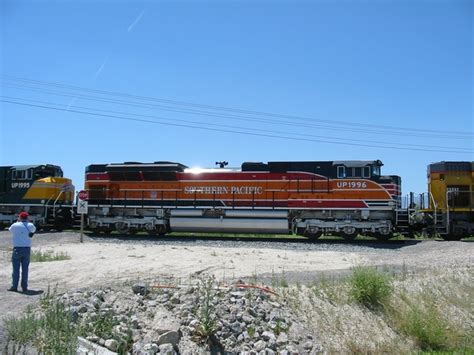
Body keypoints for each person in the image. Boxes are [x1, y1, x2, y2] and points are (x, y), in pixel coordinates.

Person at [8, 211, 36, 293]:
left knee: (15, 269)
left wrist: (17, 221)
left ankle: (14, 286)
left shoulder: (15, 225)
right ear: (27, 218)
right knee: (25, 269)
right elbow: (33, 230)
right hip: (26, 249)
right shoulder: (30, 225)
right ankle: (24, 287)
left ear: (19, 217)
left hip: (17, 249)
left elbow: (10, 230)